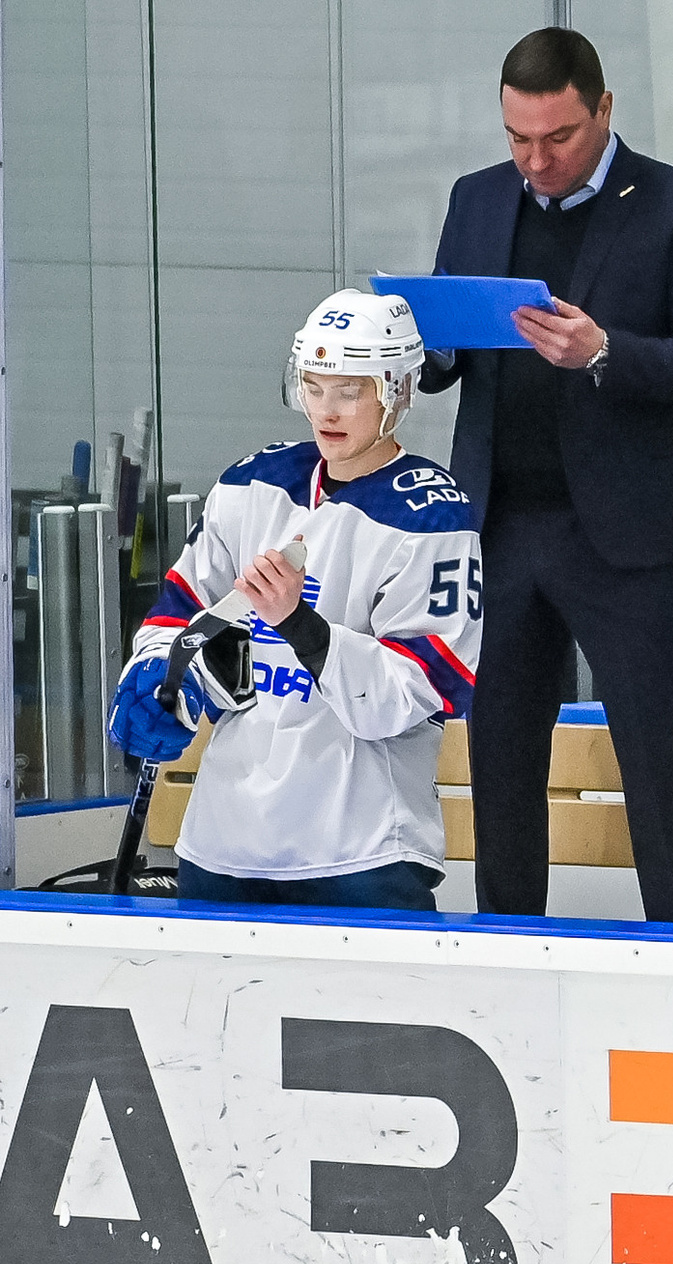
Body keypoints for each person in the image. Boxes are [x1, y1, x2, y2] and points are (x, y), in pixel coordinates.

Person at [420, 26, 673, 924]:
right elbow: (447, 359)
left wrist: (606, 352)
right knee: (502, 760)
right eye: (518, 139)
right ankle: (508, 943)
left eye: (557, 138)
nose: (536, 159)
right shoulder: (477, 198)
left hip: (626, 535)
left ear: (604, 108)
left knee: (661, 755)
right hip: (502, 522)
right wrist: (417, 342)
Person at [107, 290, 480, 911]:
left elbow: (419, 692)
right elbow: (177, 611)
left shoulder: (431, 515)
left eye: (351, 391)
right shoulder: (250, 483)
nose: (326, 411)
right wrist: (156, 674)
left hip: (357, 849)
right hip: (224, 843)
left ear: (400, 390)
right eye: (313, 386)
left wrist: (300, 624)